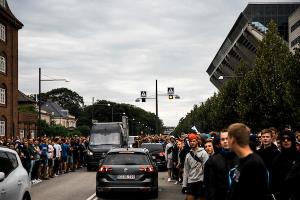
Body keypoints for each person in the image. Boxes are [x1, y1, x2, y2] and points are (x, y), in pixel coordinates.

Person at [227, 123, 269, 200]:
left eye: (227, 138)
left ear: (232, 139)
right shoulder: (242, 160)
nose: (227, 142)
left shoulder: (254, 163)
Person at [204, 131, 238, 200]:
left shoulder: (241, 158)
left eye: (227, 138)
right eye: (223, 139)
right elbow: (209, 185)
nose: (225, 141)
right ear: (220, 142)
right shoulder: (212, 161)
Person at [271, 130, 300, 200]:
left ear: (293, 140)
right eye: (283, 139)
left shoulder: (298, 157)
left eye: (288, 139)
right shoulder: (277, 158)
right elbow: (274, 180)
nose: (286, 141)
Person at [182, 133, 209, 200]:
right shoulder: (188, 155)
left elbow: (207, 169)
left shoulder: (203, 153)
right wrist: (184, 185)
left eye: (194, 141)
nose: (192, 143)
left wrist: (206, 182)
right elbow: (186, 171)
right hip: (191, 182)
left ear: (197, 141)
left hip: (201, 181)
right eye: (191, 141)